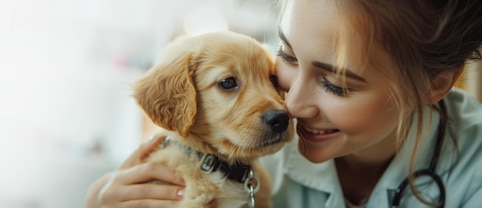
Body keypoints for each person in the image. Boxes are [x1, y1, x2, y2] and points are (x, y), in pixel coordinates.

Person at [85, 0, 482, 207]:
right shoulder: (237, 149)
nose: (289, 103)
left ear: (435, 85)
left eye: (338, 84)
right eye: (287, 58)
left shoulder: (474, 172)